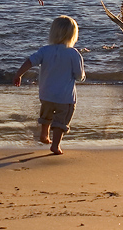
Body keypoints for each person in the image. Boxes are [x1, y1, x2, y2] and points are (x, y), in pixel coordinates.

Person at [13, 15, 85, 155]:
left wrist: (18, 74)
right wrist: (82, 77)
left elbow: (30, 61)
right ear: (73, 35)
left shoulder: (45, 50)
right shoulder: (73, 53)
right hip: (65, 97)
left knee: (46, 116)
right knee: (61, 122)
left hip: (46, 94)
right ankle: (56, 145)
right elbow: (79, 75)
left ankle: (44, 135)